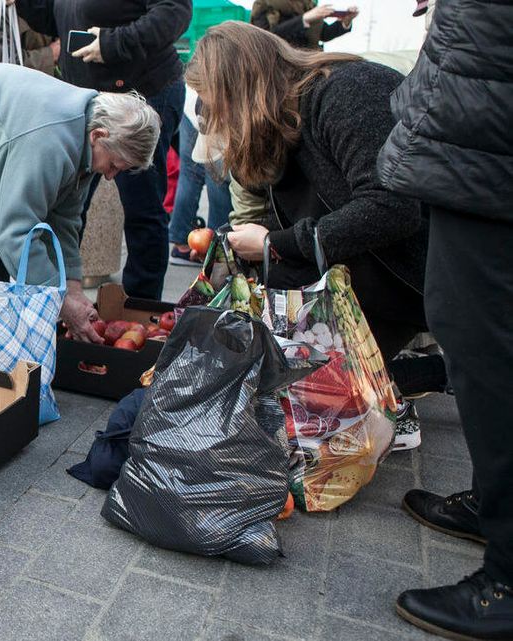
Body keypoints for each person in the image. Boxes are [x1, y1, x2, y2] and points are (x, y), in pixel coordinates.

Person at [187, 23, 447, 447]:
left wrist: (275, 244)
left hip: (418, 275)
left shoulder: (345, 93)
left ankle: (434, 375)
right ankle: (400, 387)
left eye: (219, 108)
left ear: (243, 90)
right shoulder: (283, 121)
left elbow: (393, 207)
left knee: (316, 396)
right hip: (371, 270)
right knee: (299, 396)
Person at [377, 0, 512, 636]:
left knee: (491, 355)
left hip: (491, 136)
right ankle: (494, 505)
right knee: (471, 340)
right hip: (477, 129)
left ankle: (509, 575)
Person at [0, 63, 160, 343]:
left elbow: (65, 222)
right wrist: (58, 301)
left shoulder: (84, 139)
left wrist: (71, 288)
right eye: (114, 165)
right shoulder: (49, 140)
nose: (110, 177)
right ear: (98, 136)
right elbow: (16, 234)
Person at [14, 0, 191, 301]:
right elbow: (51, 19)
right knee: (64, 208)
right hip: (84, 100)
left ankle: (141, 311)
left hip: (141, 96)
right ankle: (57, 303)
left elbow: (174, 12)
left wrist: (111, 43)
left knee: (142, 212)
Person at [167, 90, 231, 266]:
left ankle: (183, 241)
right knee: (216, 181)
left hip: (194, 105)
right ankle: (215, 254)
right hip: (210, 109)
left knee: (191, 175)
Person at [251, 0, 358, 50]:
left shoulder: (308, 4)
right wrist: (303, 19)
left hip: (310, 62)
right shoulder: (263, 3)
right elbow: (262, 36)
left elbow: (324, 34)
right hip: (278, 65)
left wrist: (345, 21)